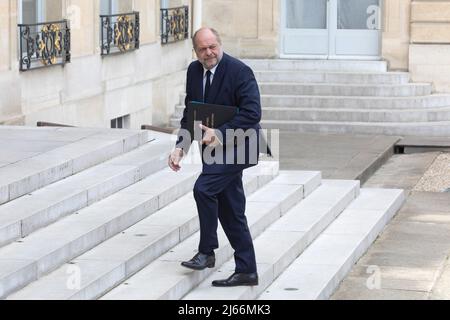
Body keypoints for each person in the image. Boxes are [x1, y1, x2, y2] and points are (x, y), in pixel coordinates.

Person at [168, 27, 261, 287]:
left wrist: (220, 133)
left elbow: (253, 114)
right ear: (195, 51)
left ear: (220, 44)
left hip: (239, 146)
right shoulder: (193, 71)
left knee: (203, 189)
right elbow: (191, 112)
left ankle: (207, 252)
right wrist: (181, 147)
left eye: (212, 47)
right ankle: (247, 270)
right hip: (212, 149)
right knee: (232, 211)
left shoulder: (240, 71)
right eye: (202, 49)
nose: (208, 53)